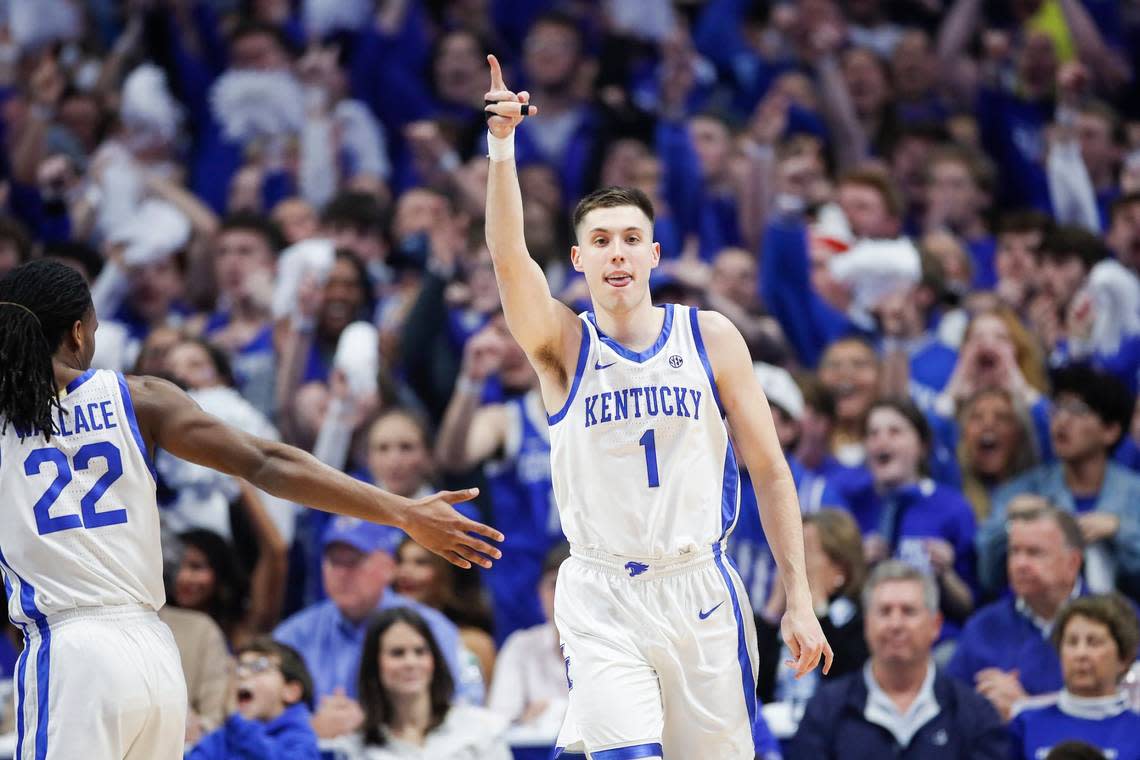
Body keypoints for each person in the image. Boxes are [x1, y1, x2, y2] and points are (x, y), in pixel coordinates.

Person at [0, 259, 502, 758]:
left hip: (70, 653)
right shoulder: (140, 397)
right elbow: (267, 462)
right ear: (76, 335)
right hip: (154, 653)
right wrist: (404, 512)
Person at [483, 55, 830, 759]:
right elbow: (510, 259)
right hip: (602, 589)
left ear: (654, 254)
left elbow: (769, 471)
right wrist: (502, 147)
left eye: (631, 239)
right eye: (601, 241)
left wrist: (798, 597)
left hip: (700, 587)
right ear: (578, 260)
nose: (617, 253)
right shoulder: (562, 344)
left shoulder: (711, 337)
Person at [274, 517, 484, 740]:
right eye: (334, 562)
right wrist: (308, 727)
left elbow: (468, 702)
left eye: (354, 561)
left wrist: (375, 722)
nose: (342, 573)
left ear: (389, 568)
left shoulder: (431, 628)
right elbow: (259, 713)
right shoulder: (294, 634)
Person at [787, 561, 1008, 759]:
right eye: (884, 611)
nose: (895, 624)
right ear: (866, 624)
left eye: (908, 611)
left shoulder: (975, 713)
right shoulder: (825, 708)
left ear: (936, 625)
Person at [979, 365, 1140, 598]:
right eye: (1057, 409)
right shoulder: (1021, 491)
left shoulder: (1134, 494)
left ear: (1110, 430)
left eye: (1077, 411)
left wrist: (1119, 531)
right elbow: (987, 574)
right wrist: (1009, 524)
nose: (1062, 421)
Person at [947, 502, 1086, 720]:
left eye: (1034, 553)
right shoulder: (983, 627)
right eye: (1014, 552)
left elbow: (1121, 711)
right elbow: (952, 708)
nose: (1020, 564)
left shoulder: (1114, 622)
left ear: (1072, 563)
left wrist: (1026, 708)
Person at [329, 607, 512, 760]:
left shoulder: (480, 729)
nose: (411, 662)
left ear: (434, 660)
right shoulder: (355, 749)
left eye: (420, 651)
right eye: (397, 653)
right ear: (374, 665)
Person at [1009, 594, 1140, 760]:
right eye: (1072, 642)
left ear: (1123, 658)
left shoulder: (1136, 730)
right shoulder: (1026, 724)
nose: (1080, 654)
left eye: (1094, 642)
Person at [187, 637, 319, 760]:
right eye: (239, 668)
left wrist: (239, 724)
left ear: (291, 691)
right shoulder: (222, 738)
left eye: (259, 667)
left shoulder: (301, 738)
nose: (242, 674)